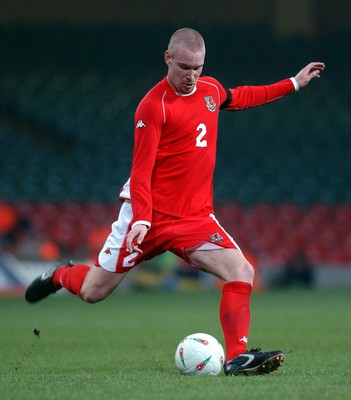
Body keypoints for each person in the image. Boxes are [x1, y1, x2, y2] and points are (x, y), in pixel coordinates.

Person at [25, 28, 325, 376]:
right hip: (148, 219)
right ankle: (61, 274)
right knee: (94, 291)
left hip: (194, 219)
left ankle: (237, 358)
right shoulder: (153, 107)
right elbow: (140, 172)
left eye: (197, 68)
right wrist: (140, 219)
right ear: (168, 59)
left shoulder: (210, 89)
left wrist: (294, 82)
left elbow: (241, 96)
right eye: (184, 67)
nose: (191, 76)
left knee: (242, 270)